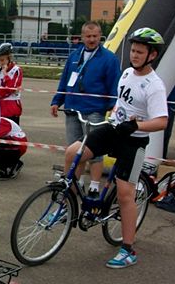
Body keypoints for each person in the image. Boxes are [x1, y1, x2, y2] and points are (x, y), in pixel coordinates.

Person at [63, 27, 168, 269]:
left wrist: (136, 125)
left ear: (152, 55)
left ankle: (128, 249)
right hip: (113, 129)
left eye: (140, 52)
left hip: (133, 140)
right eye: (133, 50)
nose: (134, 55)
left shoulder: (154, 85)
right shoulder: (126, 74)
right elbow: (120, 103)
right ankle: (68, 201)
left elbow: (162, 121)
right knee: (72, 153)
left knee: (124, 195)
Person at [50, 21, 121, 197]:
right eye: (88, 36)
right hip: (73, 109)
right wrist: (57, 101)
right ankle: (76, 183)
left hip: (94, 111)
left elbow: (114, 85)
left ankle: (95, 185)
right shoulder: (74, 56)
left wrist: (113, 107)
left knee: (94, 150)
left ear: (100, 36)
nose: (91, 40)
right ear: (82, 37)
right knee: (75, 150)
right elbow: (65, 81)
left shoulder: (109, 59)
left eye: (95, 36)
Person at [0, 42, 22, 124]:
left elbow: (12, 88)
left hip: (12, 109)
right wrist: (4, 92)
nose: (1, 63)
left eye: (2, 60)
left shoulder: (16, 70)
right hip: (0, 109)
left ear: (9, 57)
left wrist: (5, 75)